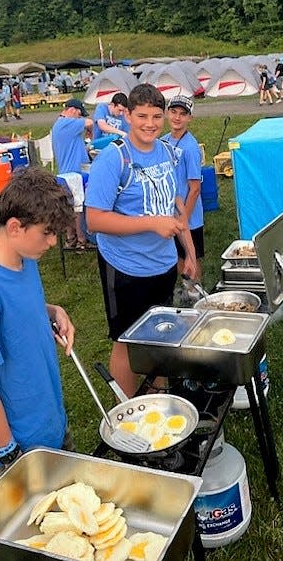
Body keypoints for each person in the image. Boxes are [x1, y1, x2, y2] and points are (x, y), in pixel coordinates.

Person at [0, 166, 77, 470]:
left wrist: (53, 311)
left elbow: (23, 308)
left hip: (50, 421)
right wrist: (8, 450)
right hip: (21, 444)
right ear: (15, 227)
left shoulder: (25, 261)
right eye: (47, 233)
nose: (53, 242)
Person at [85, 84, 197, 397]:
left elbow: (175, 205)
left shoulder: (166, 152)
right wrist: (150, 224)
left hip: (162, 266)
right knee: (126, 340)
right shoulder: (113, 159)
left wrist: (189, 252)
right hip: (125, 268)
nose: (150, 123)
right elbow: (94, 220)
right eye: (142, 116)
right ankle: (130, 411)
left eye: (156, 116)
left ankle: (159, 395)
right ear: (128, 116)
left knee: (158, 334)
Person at [161, 95, 205, 298]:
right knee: (178, 255)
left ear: (190, 118)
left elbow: (194, 187)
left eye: (183, 114)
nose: (177, 117)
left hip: (190, 217)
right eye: (174, 112)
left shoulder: (190, 147)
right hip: (171, 212)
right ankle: (186, 290)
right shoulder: (165, 142)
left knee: (192, 255)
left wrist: (185, 219)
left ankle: (197, 292)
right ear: (168, 114)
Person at [52, 98, 93, 249]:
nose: (80, 117)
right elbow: (89, 123)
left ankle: (71, 238)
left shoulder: (60, 125)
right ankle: (81, 239)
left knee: (70, 206)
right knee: (77, 207)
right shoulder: (67, 123)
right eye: (80, 114)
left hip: (67, 172)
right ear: (73, 110)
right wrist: (87, 126)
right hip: (73, 173)